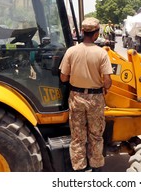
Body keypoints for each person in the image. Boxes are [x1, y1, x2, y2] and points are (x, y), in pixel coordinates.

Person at [59, 17, 113, 172]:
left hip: (76, 97)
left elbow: (63, 77)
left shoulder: (71, 51)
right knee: (95, 135)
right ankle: (96, 168)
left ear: (82, 32)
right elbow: (107, 81)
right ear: (96, 34)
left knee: (77, 136)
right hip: (95, 99)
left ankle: (80, 169)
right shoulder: (101, 53)